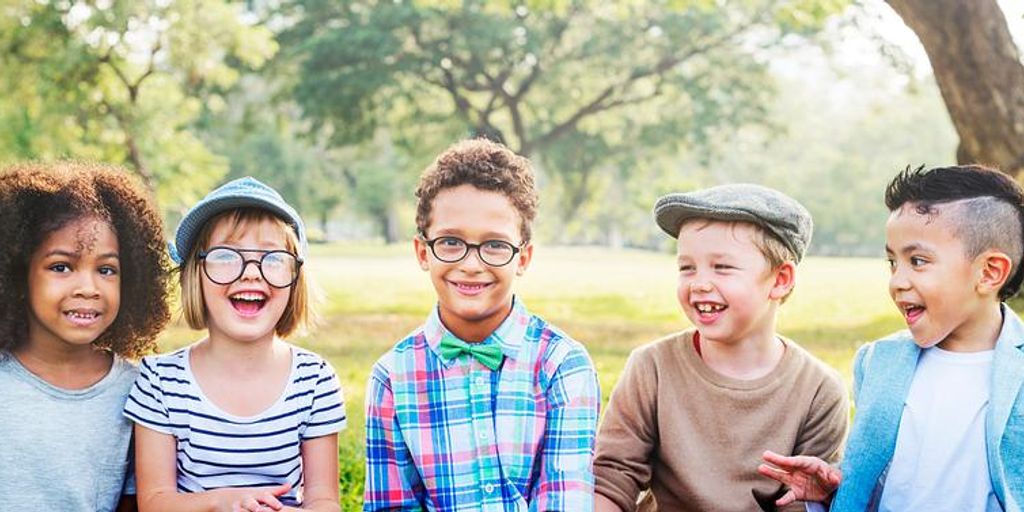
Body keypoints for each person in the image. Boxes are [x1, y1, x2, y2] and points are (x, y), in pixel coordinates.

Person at [759, 165, 1024, 512]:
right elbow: (890, 480)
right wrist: (835, 489)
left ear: (989, 273)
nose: (897, 281)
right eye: (892, 262)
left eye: (917, 260)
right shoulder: (877, 362)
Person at [362, 138, 601, 511]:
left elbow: (564, 498)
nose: (472, 264)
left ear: (523, 258)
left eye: (494, 245)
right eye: (451, 242)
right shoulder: (393, 377)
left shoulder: (562, 365)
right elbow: (392, 505)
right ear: (422, 252)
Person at [594, 184, 849, 512]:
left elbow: (800, 501)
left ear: (780, 279)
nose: (699, 282)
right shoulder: (652, 366)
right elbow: (613, 476)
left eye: (722, 267)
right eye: (687, 267)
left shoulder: (818, 390)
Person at [123, 177, 346, 512]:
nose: (251, 273)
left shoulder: (314, 380)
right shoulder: (160, 381)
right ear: (196, 274)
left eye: (273, 258)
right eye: (227, 257)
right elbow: (155, 502)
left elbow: (325, 501)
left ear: (294, 279)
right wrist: (222, 502)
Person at [0, 162, 172, 511]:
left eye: (106, 270)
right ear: (18, 273)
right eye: (61, 267)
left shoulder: (142, 390)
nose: (88, 288)